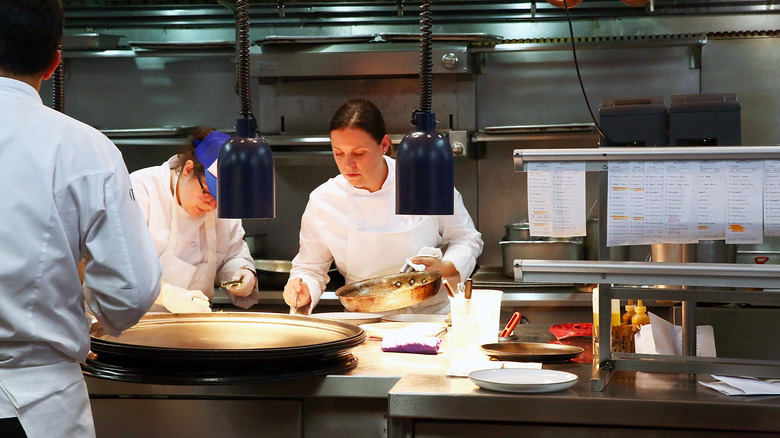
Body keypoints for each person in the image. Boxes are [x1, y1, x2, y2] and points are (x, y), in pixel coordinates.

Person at [0, 1, 163, 437]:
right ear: (55, 63)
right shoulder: (86, 148)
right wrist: (92, 308)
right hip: (39, 407)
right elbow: (131, 292)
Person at [283, 98, 483, 315]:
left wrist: (446, 267)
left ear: (384, 145)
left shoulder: (424, 182)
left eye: (359, 153)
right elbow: (310, 268)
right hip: (365, 322)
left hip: (430, 319)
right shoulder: (324, 200)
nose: (347, 164)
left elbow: (466, 238)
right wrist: (301, 289)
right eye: (338, 153)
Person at [130, 127, 260, 312]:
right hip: (134, 320)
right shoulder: (139, 190)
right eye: (208, 193)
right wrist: (166, 294)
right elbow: (118, 265)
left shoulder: (221, 208)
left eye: (221, 200)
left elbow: (232, 255)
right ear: (188, 169)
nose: (212, 205)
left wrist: (241, 272)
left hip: (196, 321)